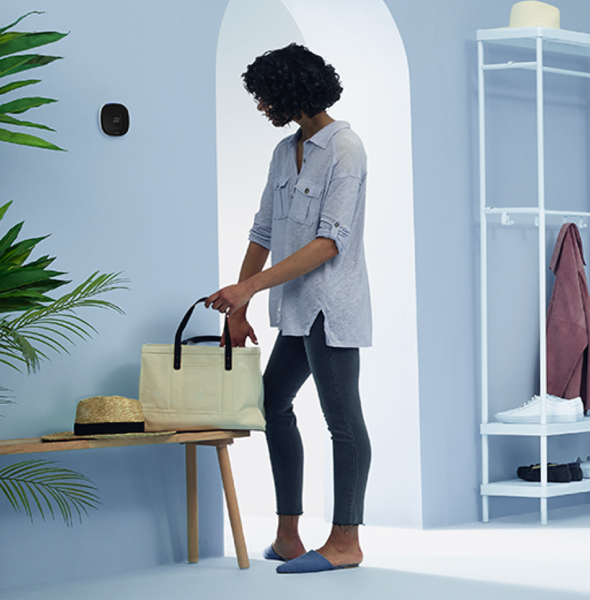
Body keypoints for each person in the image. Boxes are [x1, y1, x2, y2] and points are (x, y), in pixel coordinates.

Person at [205, 43, 372, 574]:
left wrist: (249, 288)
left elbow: (329, 243)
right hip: (294, 309)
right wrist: (238, 303)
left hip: (331, 306)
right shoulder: (285, 150)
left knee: (342, 421)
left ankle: (346, 541)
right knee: (272, 404)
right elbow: (263, 229)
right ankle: (288, 535)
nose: (260, 105)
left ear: (289, 90)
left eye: (263, 95)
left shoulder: (346, 148)